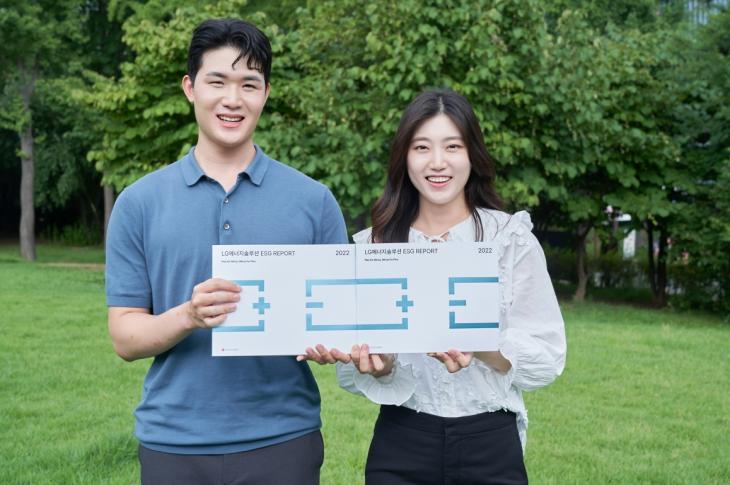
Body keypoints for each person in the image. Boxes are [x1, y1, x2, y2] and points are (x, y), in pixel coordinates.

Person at [105, 18, 347, 485]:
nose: (233, 99)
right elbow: (125, 338)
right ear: (190, 88)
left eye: (248, 84)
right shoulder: (138, 203)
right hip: (173, 443)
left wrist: (331, 341)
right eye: (217, 81)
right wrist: (189, 315)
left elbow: (338, 318)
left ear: (266, 93)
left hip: (284, 440)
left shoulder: (314, 201)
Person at [305, 89, 566, 484]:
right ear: (404, 157)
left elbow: (546, 358)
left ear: (472, 155)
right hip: (402, 441)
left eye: (453, 146)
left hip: (490, 443)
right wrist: (383, 367)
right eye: (422, 147)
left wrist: (479, 346)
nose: (438, 162)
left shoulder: (509, 239)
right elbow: (360, 369)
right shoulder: (375, 247)